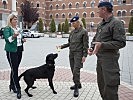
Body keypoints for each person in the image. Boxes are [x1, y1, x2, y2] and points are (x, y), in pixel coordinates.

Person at [88, 1, 126, 100]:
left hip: (110, 62)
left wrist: (102, 45)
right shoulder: (101, 24)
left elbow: (121, 42)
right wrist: (92, 48)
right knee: (102, 85)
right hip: (100, 60)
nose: (97, 12)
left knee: (110, 87)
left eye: (98, 10)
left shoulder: (116, 23)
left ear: (104, 9)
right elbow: (96, 38)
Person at [57, 16, 89, 97]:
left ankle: (76, 88)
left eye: (73, 23)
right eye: (72, 23)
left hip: (79, 54)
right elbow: (69, 43)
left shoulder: (84, 32)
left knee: (76, 71)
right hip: (71, 54)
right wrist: (61, 46)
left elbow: (86, 45)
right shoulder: (72, 32)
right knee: (73, 70)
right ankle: (78, 84)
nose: (72, 25)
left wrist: (85, 55)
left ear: (78, 23)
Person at [3, 13, 26, 99]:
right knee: (15, 69)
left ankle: (12, 85)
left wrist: (22, 40)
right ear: (10, 20)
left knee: (14, 68)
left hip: (19, 50)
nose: (16, 21)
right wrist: (14, 36)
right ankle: (18, 88)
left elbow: (20, 39)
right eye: (14, 19)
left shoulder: (18, 29)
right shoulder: (7, 29)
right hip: (11, 51)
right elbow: (8, 40)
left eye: (16, 19)